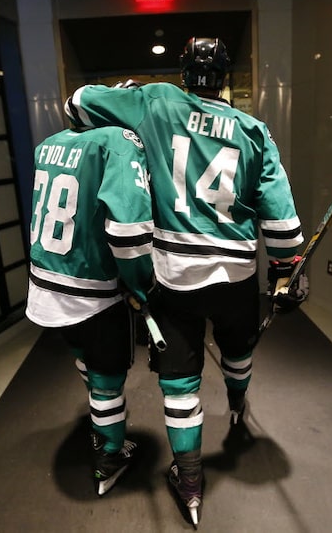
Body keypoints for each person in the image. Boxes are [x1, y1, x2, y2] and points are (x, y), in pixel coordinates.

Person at [65, 37, 307, 526]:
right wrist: (287, 271)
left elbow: (77, 104)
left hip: (173, 276)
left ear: (184, 70)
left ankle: (190, 477)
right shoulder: (254, 129)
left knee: (179, 381)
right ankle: (238, 406)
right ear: (223, 76)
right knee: (238, 348)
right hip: (238, 273)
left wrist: (124, 92)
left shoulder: (156, 100)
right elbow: (282, 223)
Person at [24, 123, 154, 497]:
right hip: (92, 287)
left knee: (82, 354)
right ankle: (110, 453)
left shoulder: (48, 143)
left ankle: (102, 420)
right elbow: (128, 231)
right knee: (108, 377)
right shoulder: (117, 141)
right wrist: (140, 282)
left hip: (47, 281)